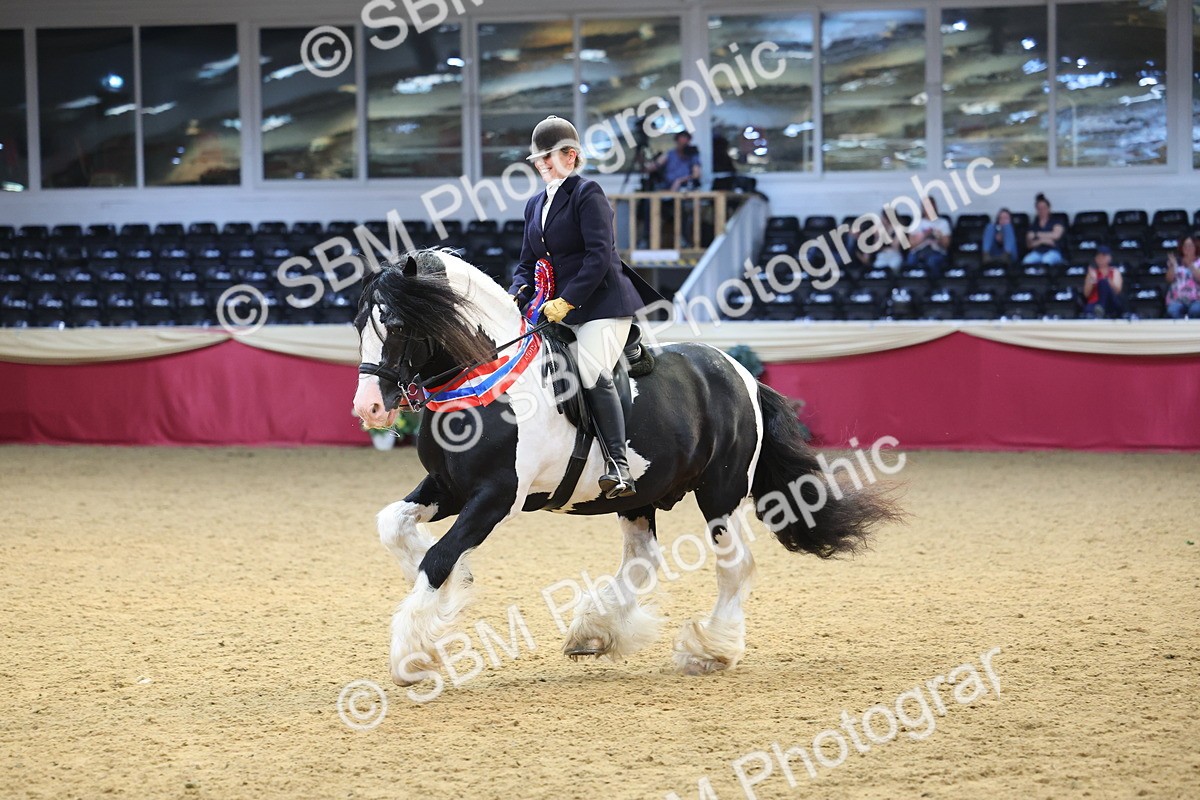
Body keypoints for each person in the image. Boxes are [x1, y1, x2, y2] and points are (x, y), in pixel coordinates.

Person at [508, 115, 662, 499]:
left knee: (591, 370)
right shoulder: (534, 205)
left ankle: (618, 464)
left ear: (571, 156)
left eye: (549, 157)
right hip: (555, 309)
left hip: (602, 305)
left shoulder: (587, 193)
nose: (542, 164)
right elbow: (528, 263)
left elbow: (598, 256)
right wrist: (516, 294)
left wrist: (568, 299)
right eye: (538, 160)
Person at [904, 196, 951, 275]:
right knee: (911, 260)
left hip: (936, 251)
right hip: (918, 252)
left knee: (932, 261)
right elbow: (910, 245)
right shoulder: (916, 223)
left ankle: (933, 285)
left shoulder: (943, 223)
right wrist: (924, 235)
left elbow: (946, 245)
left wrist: (937, 236)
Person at [1022, 193, 1065, 265]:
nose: (1042, 211)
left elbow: (1056, 235)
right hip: (1038, 252)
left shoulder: (1056, 221)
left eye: (1044, 208)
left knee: (1046, 261)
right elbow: (1029, 244)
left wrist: (1036, 235)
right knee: (1026, 261)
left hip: (1053, 252)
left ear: (1048, 208)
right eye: (1039, 209)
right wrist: (1043, 241)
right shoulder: (1034, 224)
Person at [1082, 246, 1124, 318]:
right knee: (1089, 309)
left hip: (1110, 303)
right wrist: (1093, 280)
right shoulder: (1092, 273)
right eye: (1098, 256)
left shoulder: (1115, 271)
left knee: (1103, 282)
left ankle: (1101, 307)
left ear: (1109, 258)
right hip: (1094, 303)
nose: (1101, 258)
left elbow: (1117, 291)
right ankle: (1099, 309)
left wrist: (1105, 280)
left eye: (1103, 256)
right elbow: (1086, 294)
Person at [1164, 235, 1200, 319]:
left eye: (1190, 245)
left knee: (1196, 310)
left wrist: (1190, 265)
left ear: (1196, 247)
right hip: (1177, 299)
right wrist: (1172, 267)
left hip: (1196, 299)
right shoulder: (1176, 261)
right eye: (1185, 246)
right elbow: (1168, 279)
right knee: (1172, 310)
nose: (1188, 248)